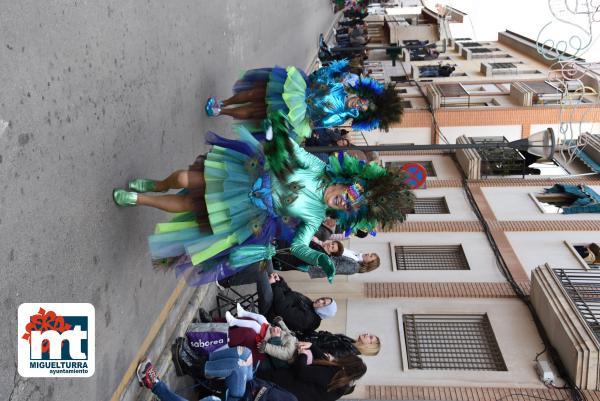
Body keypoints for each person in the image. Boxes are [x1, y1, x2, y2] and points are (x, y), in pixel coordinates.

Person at [112, 113, 414, 285]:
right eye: (349, 197)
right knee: (181, 180)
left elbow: (297, 245)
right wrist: (277, 134)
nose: (343, 203)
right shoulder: (320, 170)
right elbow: (296, 152)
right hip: (244, 175)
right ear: (349, 183)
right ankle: (157, 183)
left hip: (246, 212)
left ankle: (141, 199)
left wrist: (319, 257)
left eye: (349, 209)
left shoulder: (314, 215)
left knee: (192, 205)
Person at [205, 59, 404, 141]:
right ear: (361, 95)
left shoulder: (341, 117)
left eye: (362, 109)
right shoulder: (340, 86)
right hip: (294, 91)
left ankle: (220, 111)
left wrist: (340, 112)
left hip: (295, 113)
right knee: (253, 94)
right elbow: (318, 76)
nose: (358, 105)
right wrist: (337, 72)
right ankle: (223, 102)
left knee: (253, 111)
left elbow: (319, 123)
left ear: (360, 114)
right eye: (362, 101)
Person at [138, 347, 298, 401]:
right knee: (245, 353)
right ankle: (198, 361)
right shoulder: (293, 399)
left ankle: (155, 385)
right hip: (251, 384)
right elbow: (271, 386)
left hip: (242, 398)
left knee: (237, 367)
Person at [257, 343, 367, 401]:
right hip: (284, 394)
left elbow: (302, 371)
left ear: (347, 363)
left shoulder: (331, 374)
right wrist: (312, 346)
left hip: (278, 384)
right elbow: (325, 360)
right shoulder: (340, 385)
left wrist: (303, 354)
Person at [267, 274, 337, 334]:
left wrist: (275, 285)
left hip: (270, 310)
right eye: (323, 299)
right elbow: (290, 293)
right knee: (268, 268)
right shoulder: (310, 304)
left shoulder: (308, 320)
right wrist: (280, 281)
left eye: (323, 303)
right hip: (274, 299)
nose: (320, 300)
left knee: (263, 271)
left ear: (324, 311)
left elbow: (282, 308)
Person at [298, 331, 380, 358]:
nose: (367, 334)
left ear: (369, 346)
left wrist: (310, 344)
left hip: (302, 345)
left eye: (370, 337)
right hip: (305, 337)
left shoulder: (348, 352)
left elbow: (323, 353)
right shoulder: (350, 342)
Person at [306, 252, 380, 278]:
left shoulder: (355, 267)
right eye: (371, 254)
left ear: (369, 264)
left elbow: (335, 266)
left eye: (371, 256)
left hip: (317, 264)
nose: (369, 254)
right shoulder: (357, 257)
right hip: (317, 259)